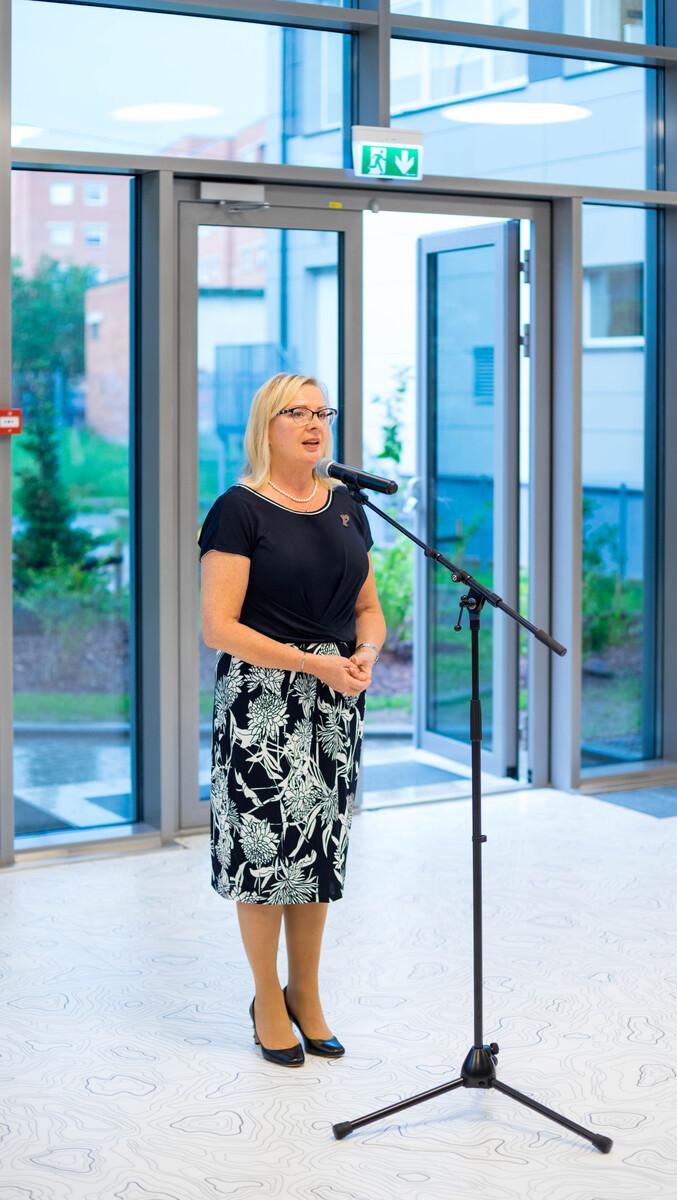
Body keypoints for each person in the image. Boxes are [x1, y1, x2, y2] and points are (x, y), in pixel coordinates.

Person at [198, 372, 386, 1068]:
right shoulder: (238, 509)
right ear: (266, 426)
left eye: (321, 412)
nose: (314, 424)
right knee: (264, 857)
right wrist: (315, 665)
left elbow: (368, 609)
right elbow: (219, 628)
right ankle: (266, 1000)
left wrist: (365, 653)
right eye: (296, 413)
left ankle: (305, 992)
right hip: (262, 703)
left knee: (318, 852)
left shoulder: (347, 506)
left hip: (335, 702)